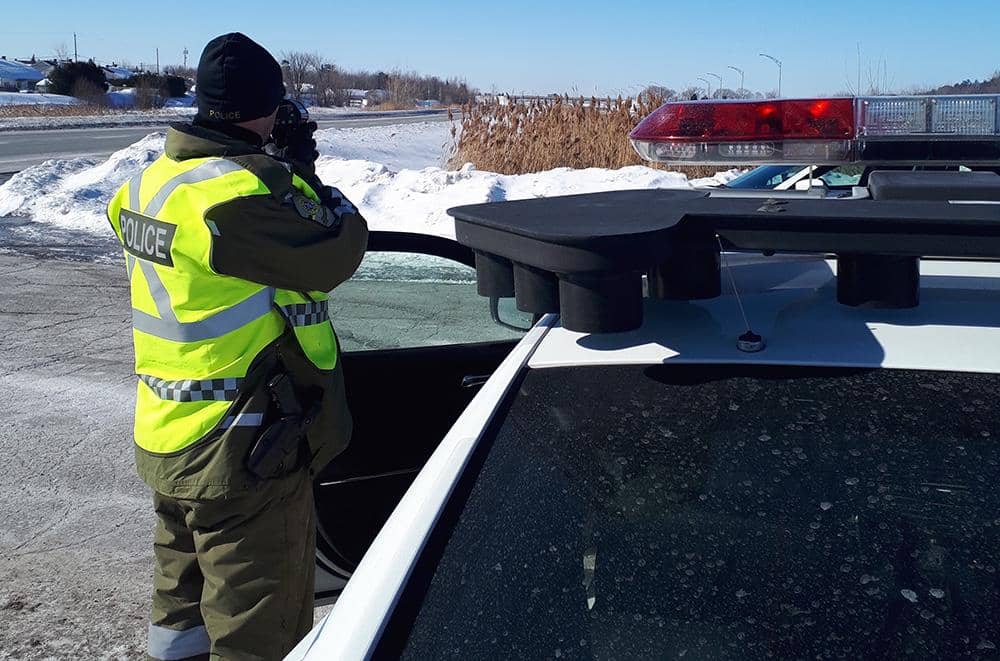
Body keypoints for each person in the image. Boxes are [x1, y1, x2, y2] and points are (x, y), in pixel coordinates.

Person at [105, 32, 368, 660]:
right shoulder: (241, 200)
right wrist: (303, 176)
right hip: (241, 448)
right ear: (268, 107)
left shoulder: (148, 186)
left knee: (181, 607)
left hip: (170, 430)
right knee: (259, 630)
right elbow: (339, 246)